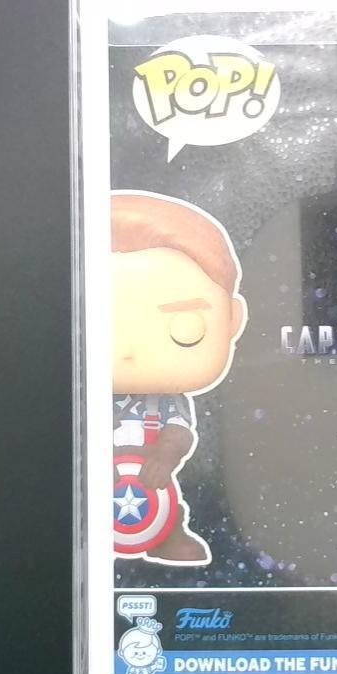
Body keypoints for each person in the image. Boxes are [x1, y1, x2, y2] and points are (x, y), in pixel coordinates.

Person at [111, 191, 247, 564]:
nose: (130, 351)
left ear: (232, 320)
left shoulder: (166, 401)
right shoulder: (84, 399)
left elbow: (179, 432)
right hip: (98, 480)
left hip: (151, 480)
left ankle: (167, 535)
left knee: (166, 510)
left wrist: (165, 455)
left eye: (184, 329)